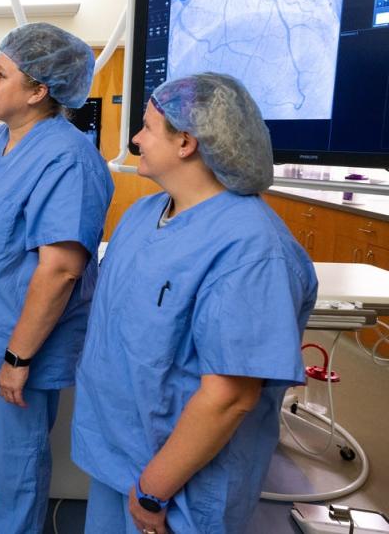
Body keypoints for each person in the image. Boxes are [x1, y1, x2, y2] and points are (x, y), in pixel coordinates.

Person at [72, 73, 318, 534]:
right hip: (117, 453)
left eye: (146, 127)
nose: (135, 138)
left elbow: (229, 396)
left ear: (185, 143)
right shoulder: (143, 215)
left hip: (178, 483)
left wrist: (153, 488)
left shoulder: (251, 249)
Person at [0, 22, 114, 534]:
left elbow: (59, 269)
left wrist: (17, 357)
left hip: (18, 345)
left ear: (38, 91)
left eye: (0, 73)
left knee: (17, 462)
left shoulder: (68, 160)